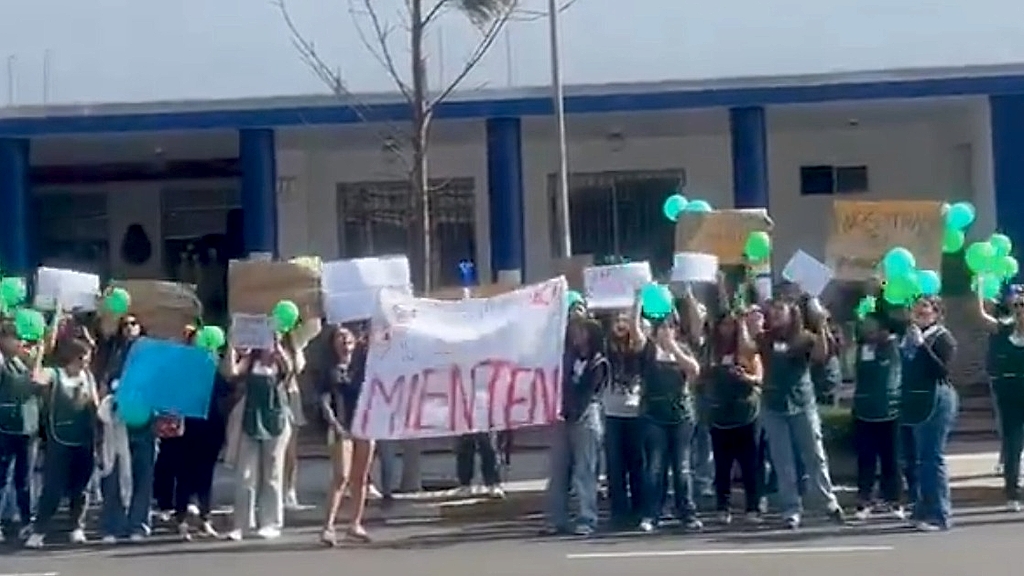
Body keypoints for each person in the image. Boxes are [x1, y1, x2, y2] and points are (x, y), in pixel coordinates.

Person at [756, 297, 844, 530]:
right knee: (783, 460)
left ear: (791, 312)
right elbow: (747, 349)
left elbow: (820, 356)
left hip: (802, 403)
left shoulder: (803, 337)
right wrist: (748, 326)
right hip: (774, 405)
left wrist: (822, 324)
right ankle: (791, 509)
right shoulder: (766, 338)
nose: (775, 314)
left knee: (814, 454)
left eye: (780, 309)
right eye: (772, 310)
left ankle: (828, 501)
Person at [633, 299, 703, 534]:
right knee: (655, 467)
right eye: (662, 327)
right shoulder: (649, 349)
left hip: (681, 415)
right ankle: (652, 514)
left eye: (670, 326)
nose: (666, 330)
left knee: (682, 468)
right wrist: (637, 299)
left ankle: (687, 513)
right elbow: (634, 331)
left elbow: (694, 370)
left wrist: (673, 348)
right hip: (654, 415)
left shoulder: (682, 349)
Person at [25, 338, 98, 549]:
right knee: (53, 489)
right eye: (84, 358)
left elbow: (94, 403)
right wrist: (39, 355)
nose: (86, 363)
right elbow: (37, 380)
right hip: (59, 440)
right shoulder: (54, 374)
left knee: (80, 488)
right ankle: (39, 531)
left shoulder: (88, 377)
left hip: (84, 438)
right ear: (74, 358)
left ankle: (76, 527)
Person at [542, 317, 608, 536]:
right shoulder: (566, 358)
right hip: (564, 418)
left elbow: (588, 393)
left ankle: (586, 518)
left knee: (584, 471)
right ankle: (556, 519)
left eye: (580, 330)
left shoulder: (598, 362)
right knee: (558, 472)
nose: (575, 334)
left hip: (585, 418)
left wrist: (572, 412)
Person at [223, 340, 295, 541]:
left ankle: (271, 522)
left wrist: (279, 346)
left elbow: (290, 370)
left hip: (275, 420)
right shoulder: (250, 360)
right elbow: (232, 372)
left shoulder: (279, 362)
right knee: (245, 474)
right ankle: (242, 524)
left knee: (272, 473)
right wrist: (232, 347)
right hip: (251, 418)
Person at [98, 316, 158, 544]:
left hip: (144, 425)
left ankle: (138, 525)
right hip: (118, 424)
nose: (130, 327)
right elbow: (104, 386)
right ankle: (112, 526)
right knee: (113, 475)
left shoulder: (152, 359)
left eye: (134, 323)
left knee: (143, 477)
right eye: (125, 324)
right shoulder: (114, 356)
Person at [901, 295, 957, 531]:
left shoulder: (943, 338)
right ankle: (921, 509)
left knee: (932, 457)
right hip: (916, 399)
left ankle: (940, 514)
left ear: (936, 313)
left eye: (926, 307)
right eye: (917, 307)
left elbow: (941, 370)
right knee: (918, 458)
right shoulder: (910, 337)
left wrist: (922, 347)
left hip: (938, 398)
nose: (920, 311)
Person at [705, 311, 763, 525]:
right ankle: (723, 507)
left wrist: (745, 377)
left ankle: (753, 506)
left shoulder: (748, 349)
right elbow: (701, 377)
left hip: (746, 414)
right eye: (724, 324)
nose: (727, 328)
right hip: (720, 414)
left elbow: (759, 378)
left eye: (731, 324)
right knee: (723, 465)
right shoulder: (712, 350)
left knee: (750, 464)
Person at [318, 325, 374, 545]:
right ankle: (328, 527)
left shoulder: (363, 366)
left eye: (347, 336)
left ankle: (355, 524)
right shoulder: (330, 370)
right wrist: (334, 423)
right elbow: (323, 400)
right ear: (333, 344)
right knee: (341, 476)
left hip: (365, 426)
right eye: (339, 337)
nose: (344, 340)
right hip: (341, 427)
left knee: (361, 478)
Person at [851, 312, 904, 520]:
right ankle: (864, 500)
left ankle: (894, 500)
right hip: (864, 410)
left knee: (891, 459)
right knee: (866, 459)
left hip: (890, 410)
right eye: (866, 326)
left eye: (873, 326)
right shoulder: (861, 348)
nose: (869, 330)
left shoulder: (893, 346)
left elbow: (901, 324)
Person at [603, 312, 645, 528]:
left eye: (624, 321)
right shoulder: (606, 349)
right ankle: (618, 512)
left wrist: (635, 307)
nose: (620, 324)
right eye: (616, 320)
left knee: (637, 465)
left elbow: (639, 339)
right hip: (612, 414)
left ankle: (639, 510)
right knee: (615, 467)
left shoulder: (638, 349)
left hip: (636, 414)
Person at [0, 322, 40, 542]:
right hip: (5, 428)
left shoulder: (21, 364)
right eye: (15, 339)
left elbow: (31, 388)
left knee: (23, 479)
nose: (20, 344)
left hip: (25, 429)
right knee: (2, 478)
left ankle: (26, 521)